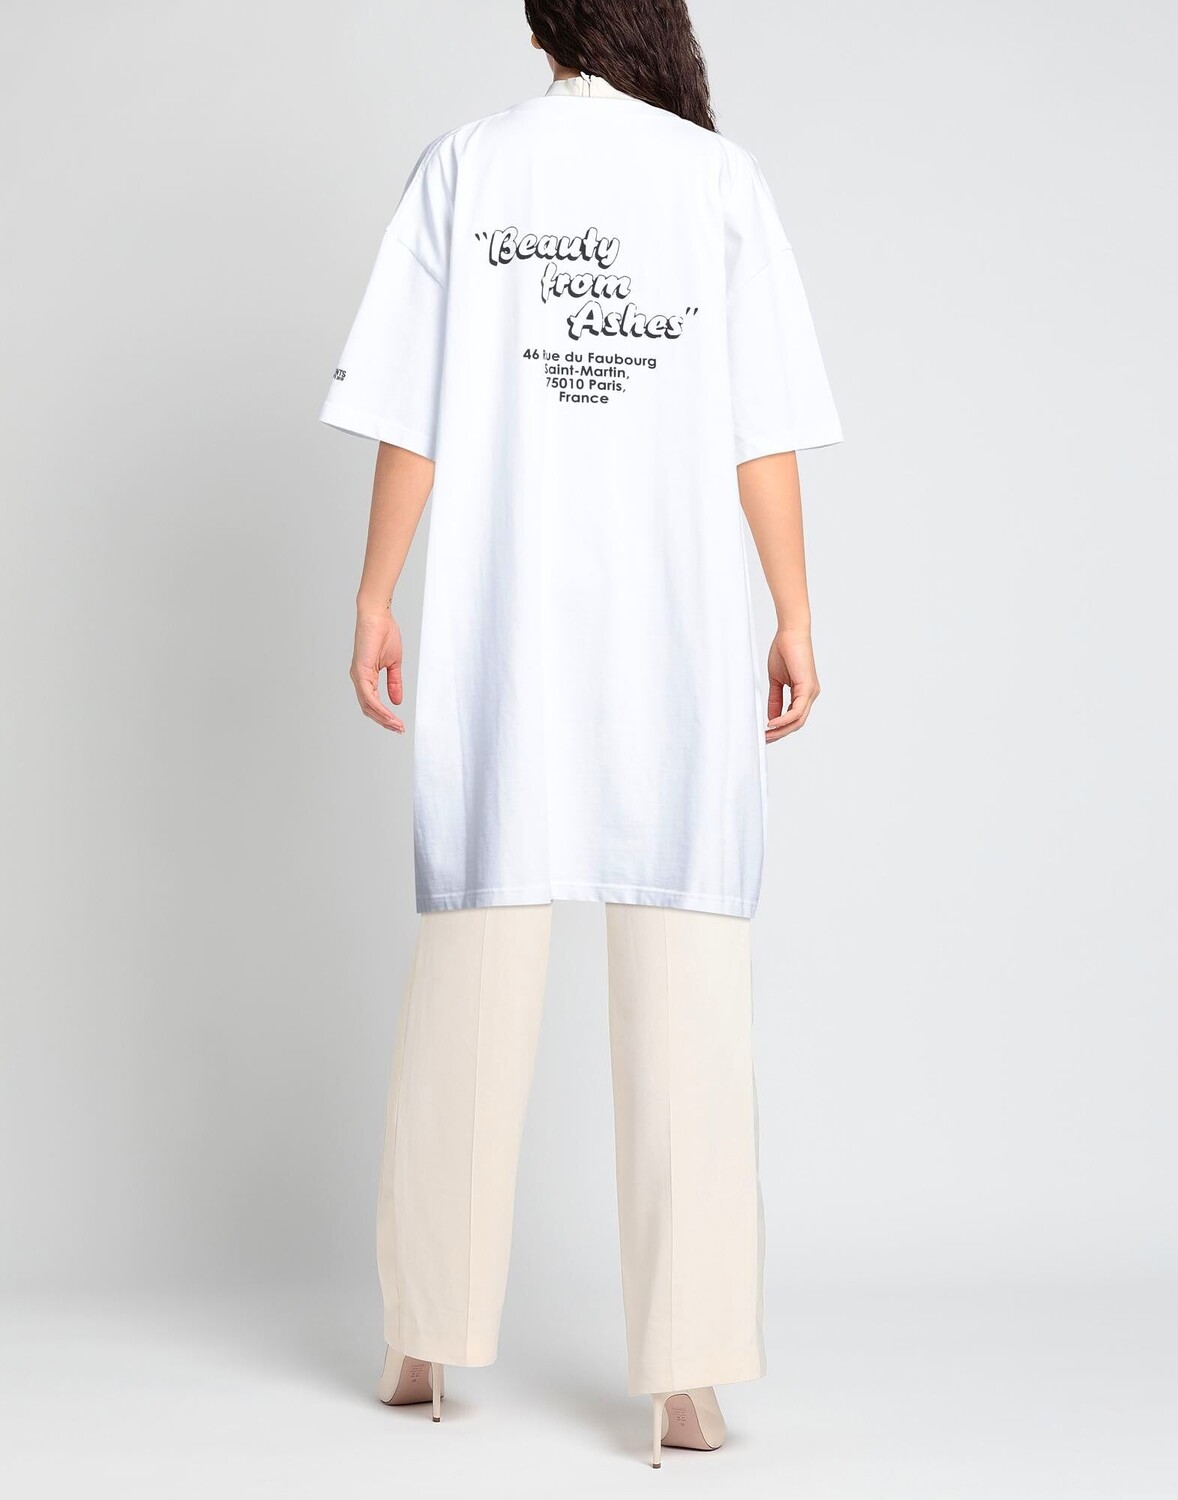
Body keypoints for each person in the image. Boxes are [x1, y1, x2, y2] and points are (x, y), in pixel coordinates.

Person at [319, 0, 841, 1467]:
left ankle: (422, 1339)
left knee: (473, 968)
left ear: (544, 19)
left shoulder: (467, 167)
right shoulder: (715, 180)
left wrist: (376, 591)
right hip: (675, 625)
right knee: (687, 979)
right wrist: (794, 612)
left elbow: (411, 406)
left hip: (506, 620)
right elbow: (760, 423)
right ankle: (688, 1376)